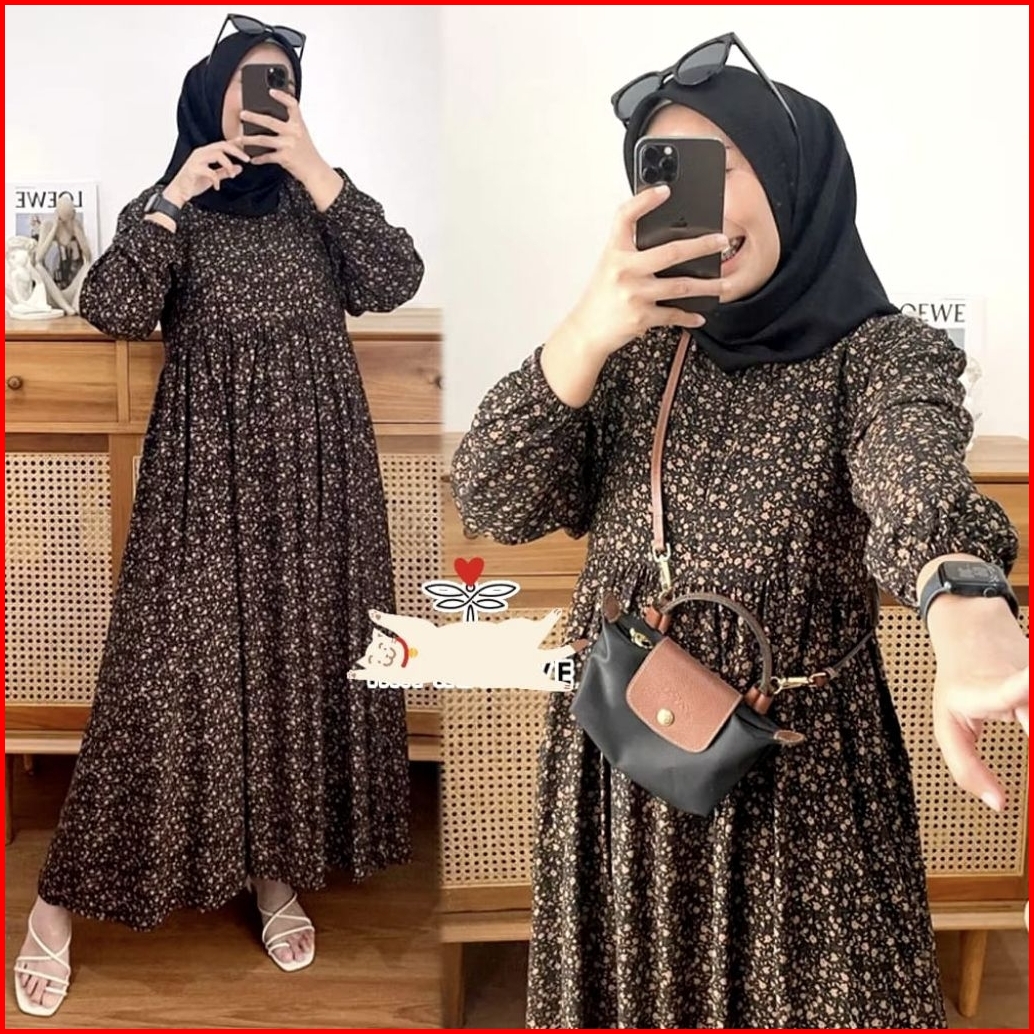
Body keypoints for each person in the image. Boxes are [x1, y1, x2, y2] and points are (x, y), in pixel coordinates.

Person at [450, 38, 1025, 1030]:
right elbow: (492, 499)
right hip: (622, 768)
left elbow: (913, 470)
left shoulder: (882, 356)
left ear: (796, 174)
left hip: (796, 792)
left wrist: (962, 597)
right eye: (671, 173)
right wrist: (584, 330)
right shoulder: (627, 354)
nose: (703, 208)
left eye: (725, 165)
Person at [14, 17, 423, 1017]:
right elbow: (113, 307)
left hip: (317, 484)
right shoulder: (177, 205)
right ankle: (55, 905)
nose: (267, 99)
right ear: (210, 95)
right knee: (160, 680)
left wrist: (317, 168)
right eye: (249, 82)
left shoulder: (319, 203)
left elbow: (394, 278)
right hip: (204, 481)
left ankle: (275, 873)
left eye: (284, 83)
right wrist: (171, 198)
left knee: (293, 669)